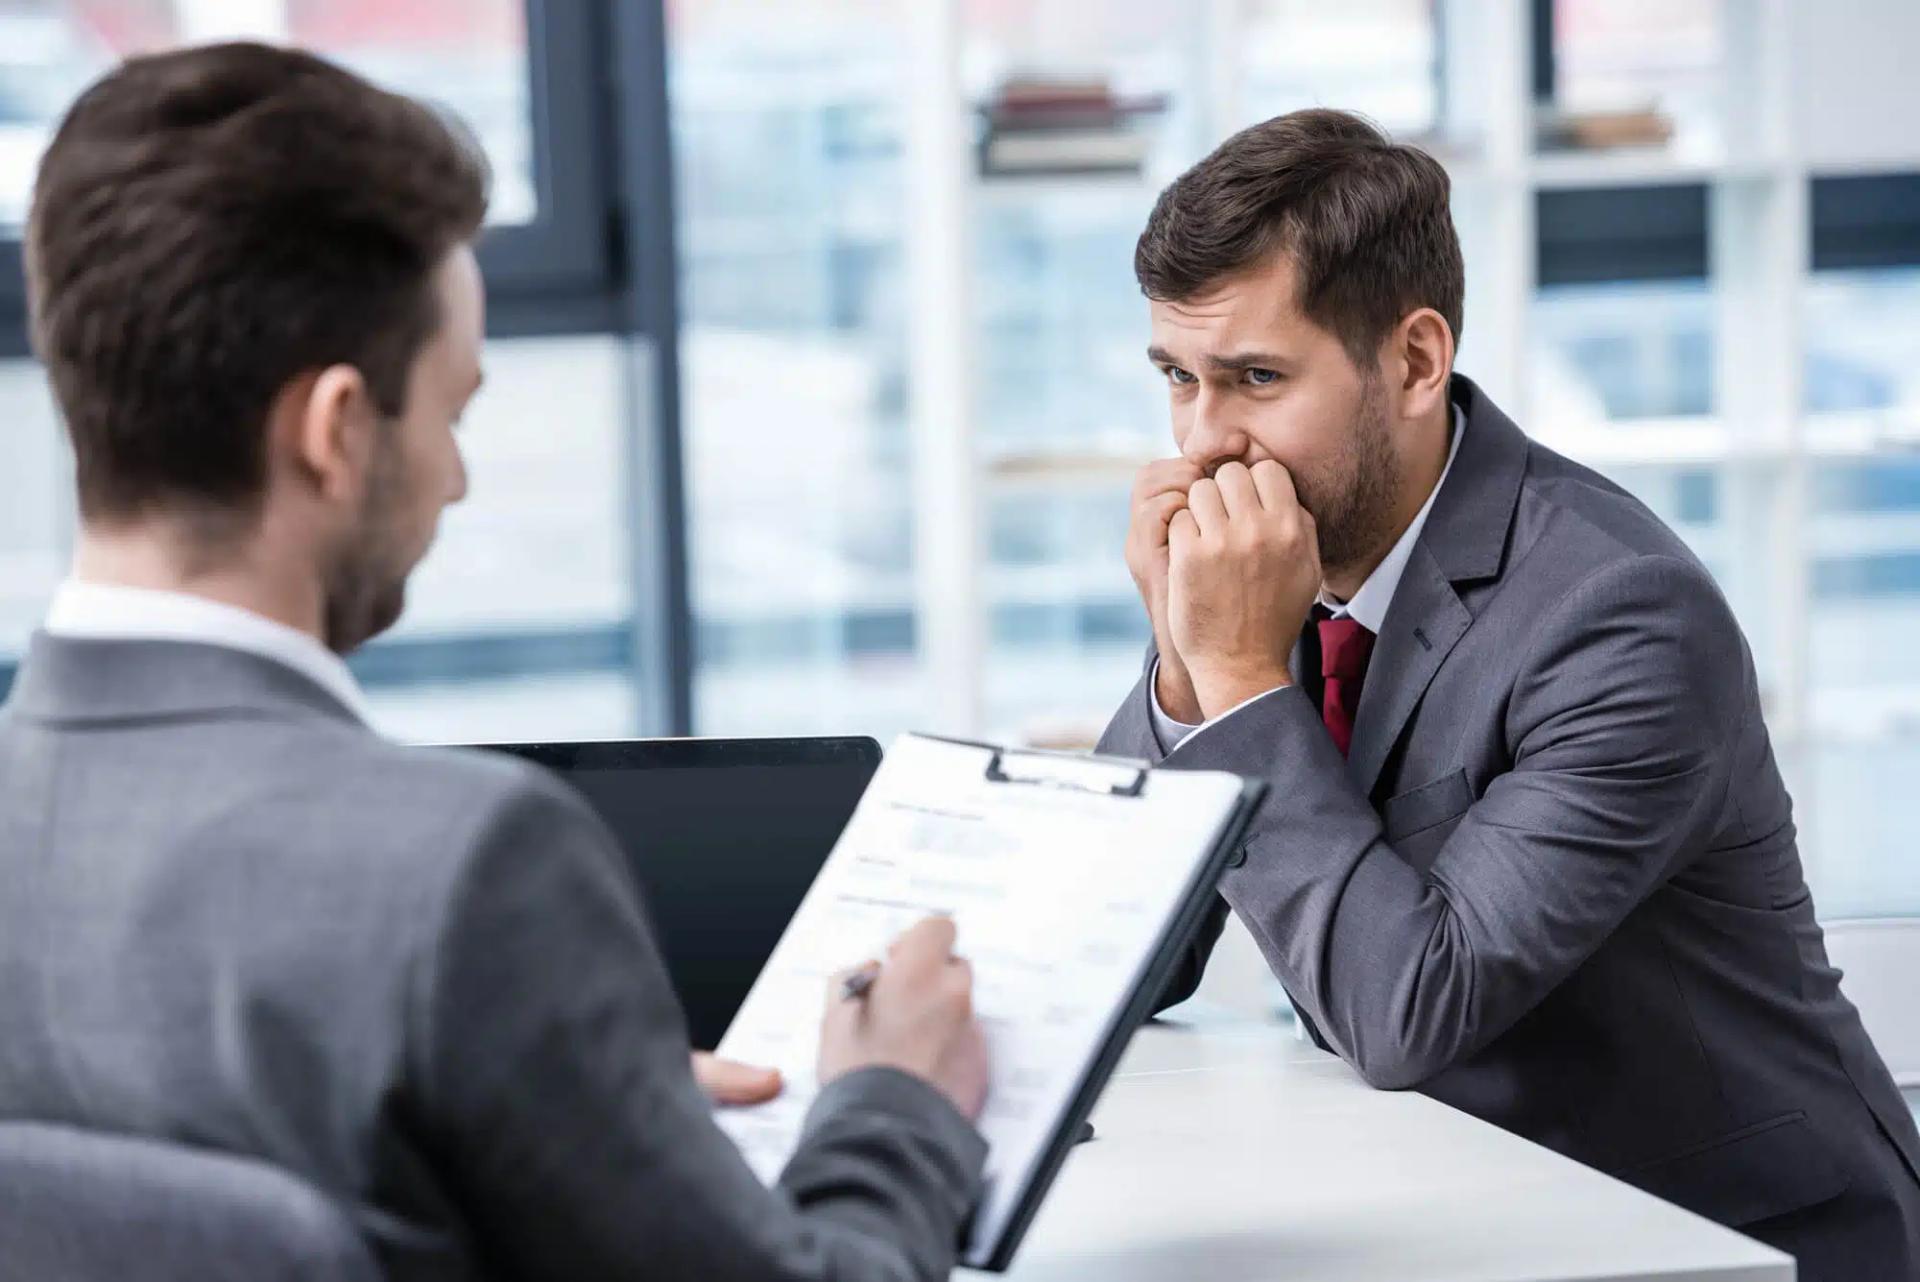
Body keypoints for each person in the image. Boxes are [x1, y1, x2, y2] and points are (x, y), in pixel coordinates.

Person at [0, 42, 987, 1281]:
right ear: (338, 432)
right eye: (452, 411)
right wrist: (895, 1105)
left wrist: (563, 1098)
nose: (456, 479)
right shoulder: (461, 867)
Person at [1098, 108, 1920, 1281]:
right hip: (1478, 1207)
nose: (1206, 441)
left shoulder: (1621, 614)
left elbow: (1405, 1008)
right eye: (1178, 378)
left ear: (1417, 361)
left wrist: (1230, 676)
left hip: (1731, 1241)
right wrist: (1186, 662)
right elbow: (1120, 960)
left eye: (1257, 378)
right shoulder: (1279, 575)